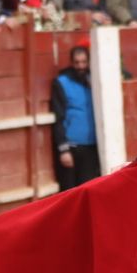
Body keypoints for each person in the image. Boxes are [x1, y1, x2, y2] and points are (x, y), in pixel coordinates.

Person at [50, 45, 100, 192]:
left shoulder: (95, 80)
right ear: (72, 63)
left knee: (89, 191)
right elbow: (58, 117)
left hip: (91, 147)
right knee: (70, 192)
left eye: (84, 62)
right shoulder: (61, 82)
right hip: (71, 147)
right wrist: (63, 149)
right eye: (77, 63)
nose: (81, 66)